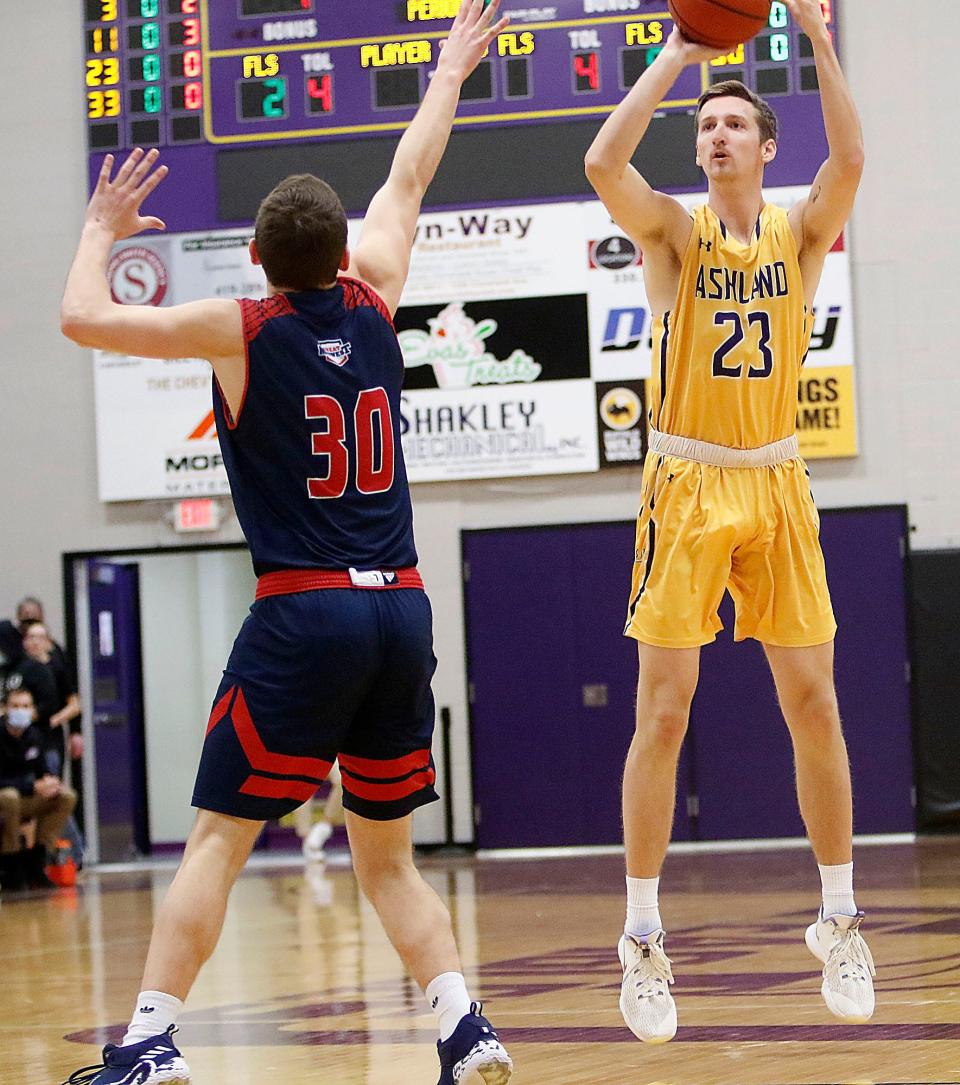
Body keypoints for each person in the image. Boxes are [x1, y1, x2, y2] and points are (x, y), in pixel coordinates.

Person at [59, 4, 513, 1083]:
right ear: (338, 252)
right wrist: (448, 69)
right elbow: (408, 178)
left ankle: (151, 1041)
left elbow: (81, 318)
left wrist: (99, 231)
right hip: (401, 605)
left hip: (304, 607)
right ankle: (465, 1027)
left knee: (219, 834)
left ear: (257, 258)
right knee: (387, 855)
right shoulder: (378, 296)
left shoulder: (240, 325)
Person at [585, 0, 872, 1044]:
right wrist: (675, 58)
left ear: (763, 145)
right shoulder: (673, 230)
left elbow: (849, 156)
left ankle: (839, 916)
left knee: (817, 704)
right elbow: (602, 166)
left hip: (779, 480)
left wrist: (822, 44)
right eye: (704, 126)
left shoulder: (800, 233)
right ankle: (642, 936)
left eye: (732, 124)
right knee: (664, 710)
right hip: (687, 481)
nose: (714, 135)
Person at [0, 685, 77, 892]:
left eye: (25, 706)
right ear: (5, 708)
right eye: (15, 706)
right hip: (6, 798)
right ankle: (11, 865)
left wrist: (50, 783)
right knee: (9, 797)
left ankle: (38, 859)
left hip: (25, 797)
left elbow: (43, 770)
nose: (20, 710)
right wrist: (31, 785)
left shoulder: (35, 735)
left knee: (65, 796)